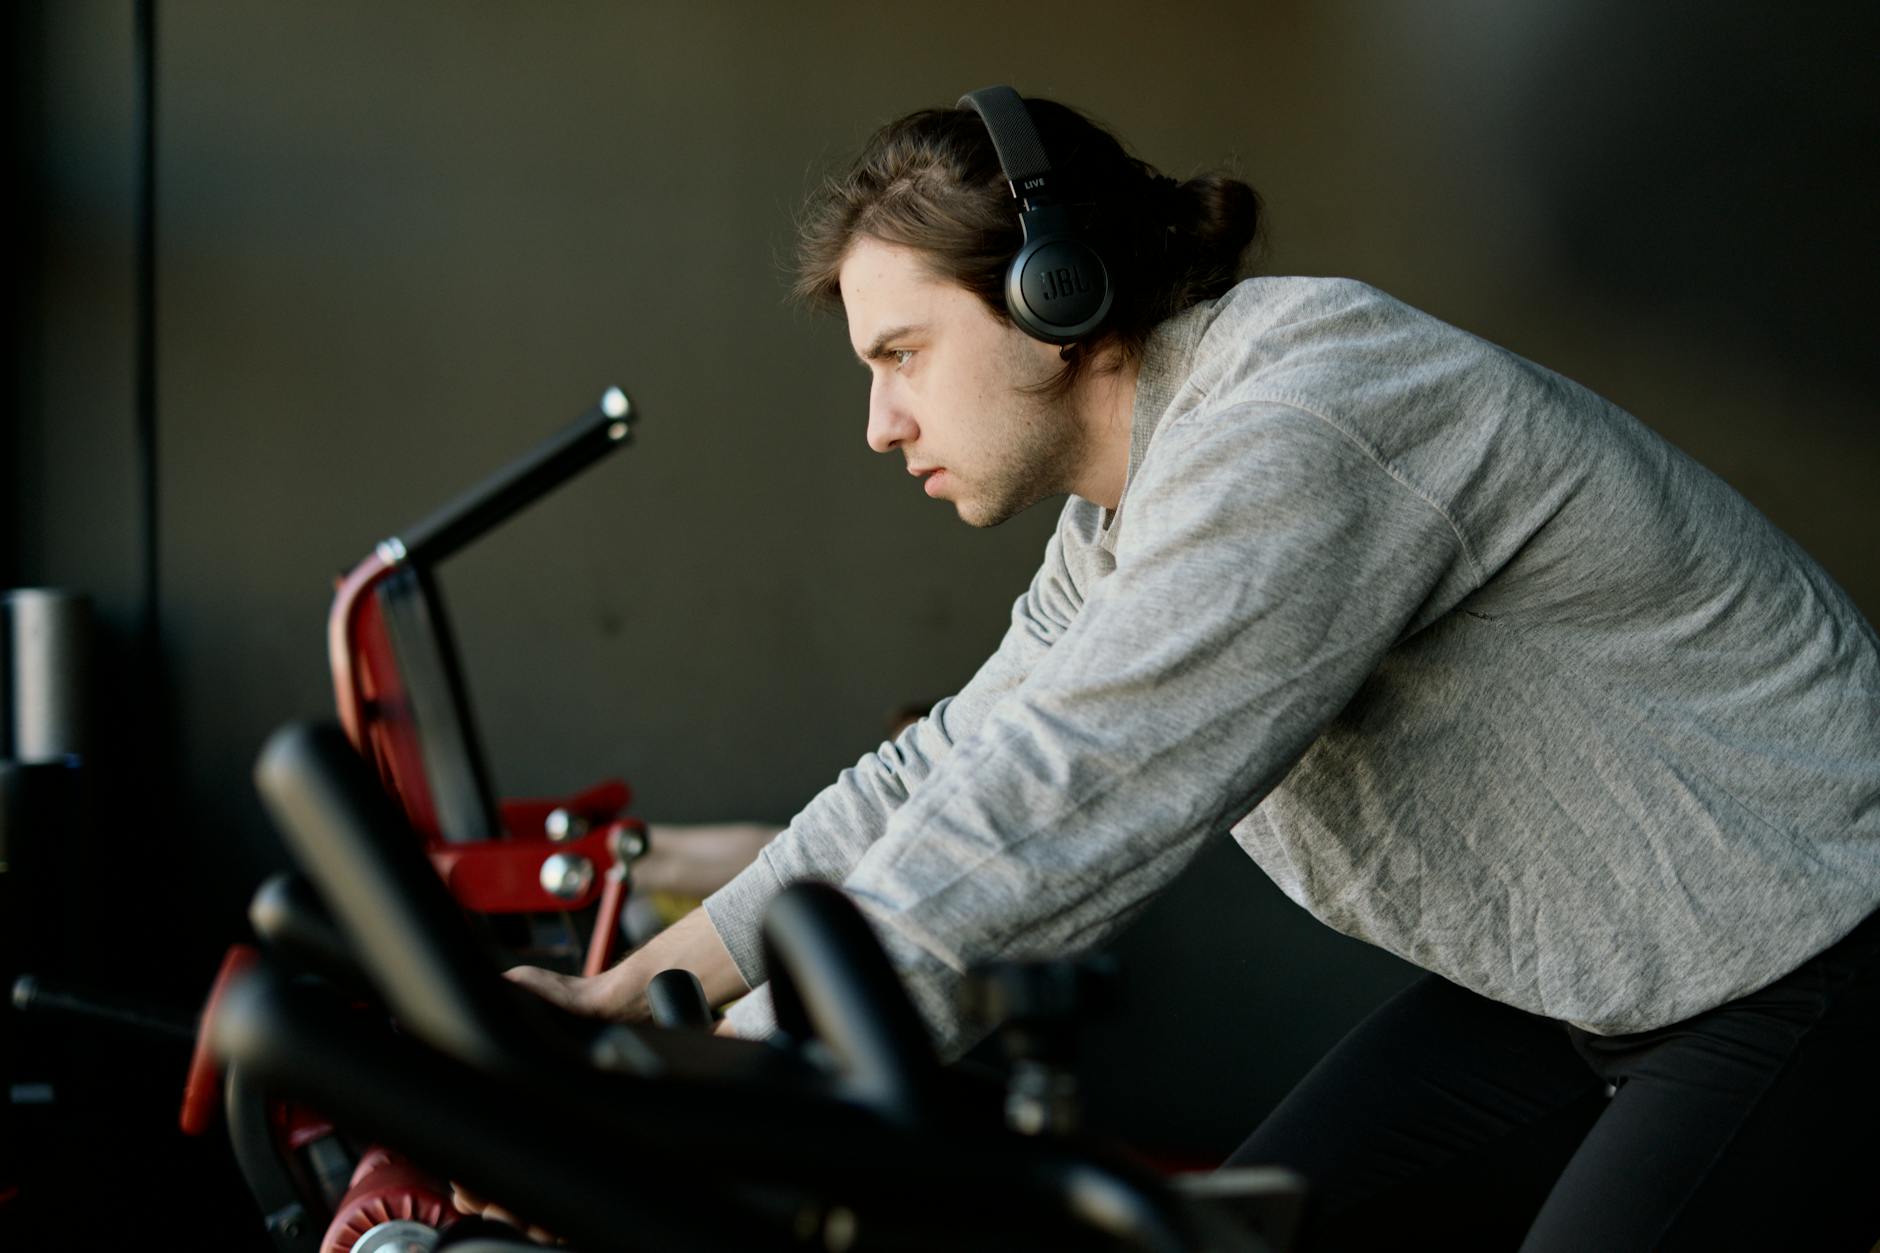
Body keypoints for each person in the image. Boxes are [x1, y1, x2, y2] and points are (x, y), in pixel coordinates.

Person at [506, 89, 1880, 1249]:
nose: (882, 421)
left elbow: (1060, 808)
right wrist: (619, 996)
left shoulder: (1297, 424)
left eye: (904, 355)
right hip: (1611, 971)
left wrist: (716, 1099)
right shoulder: (1124, 511)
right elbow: (949, 767)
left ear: (1054, 293)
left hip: (1813, 943)